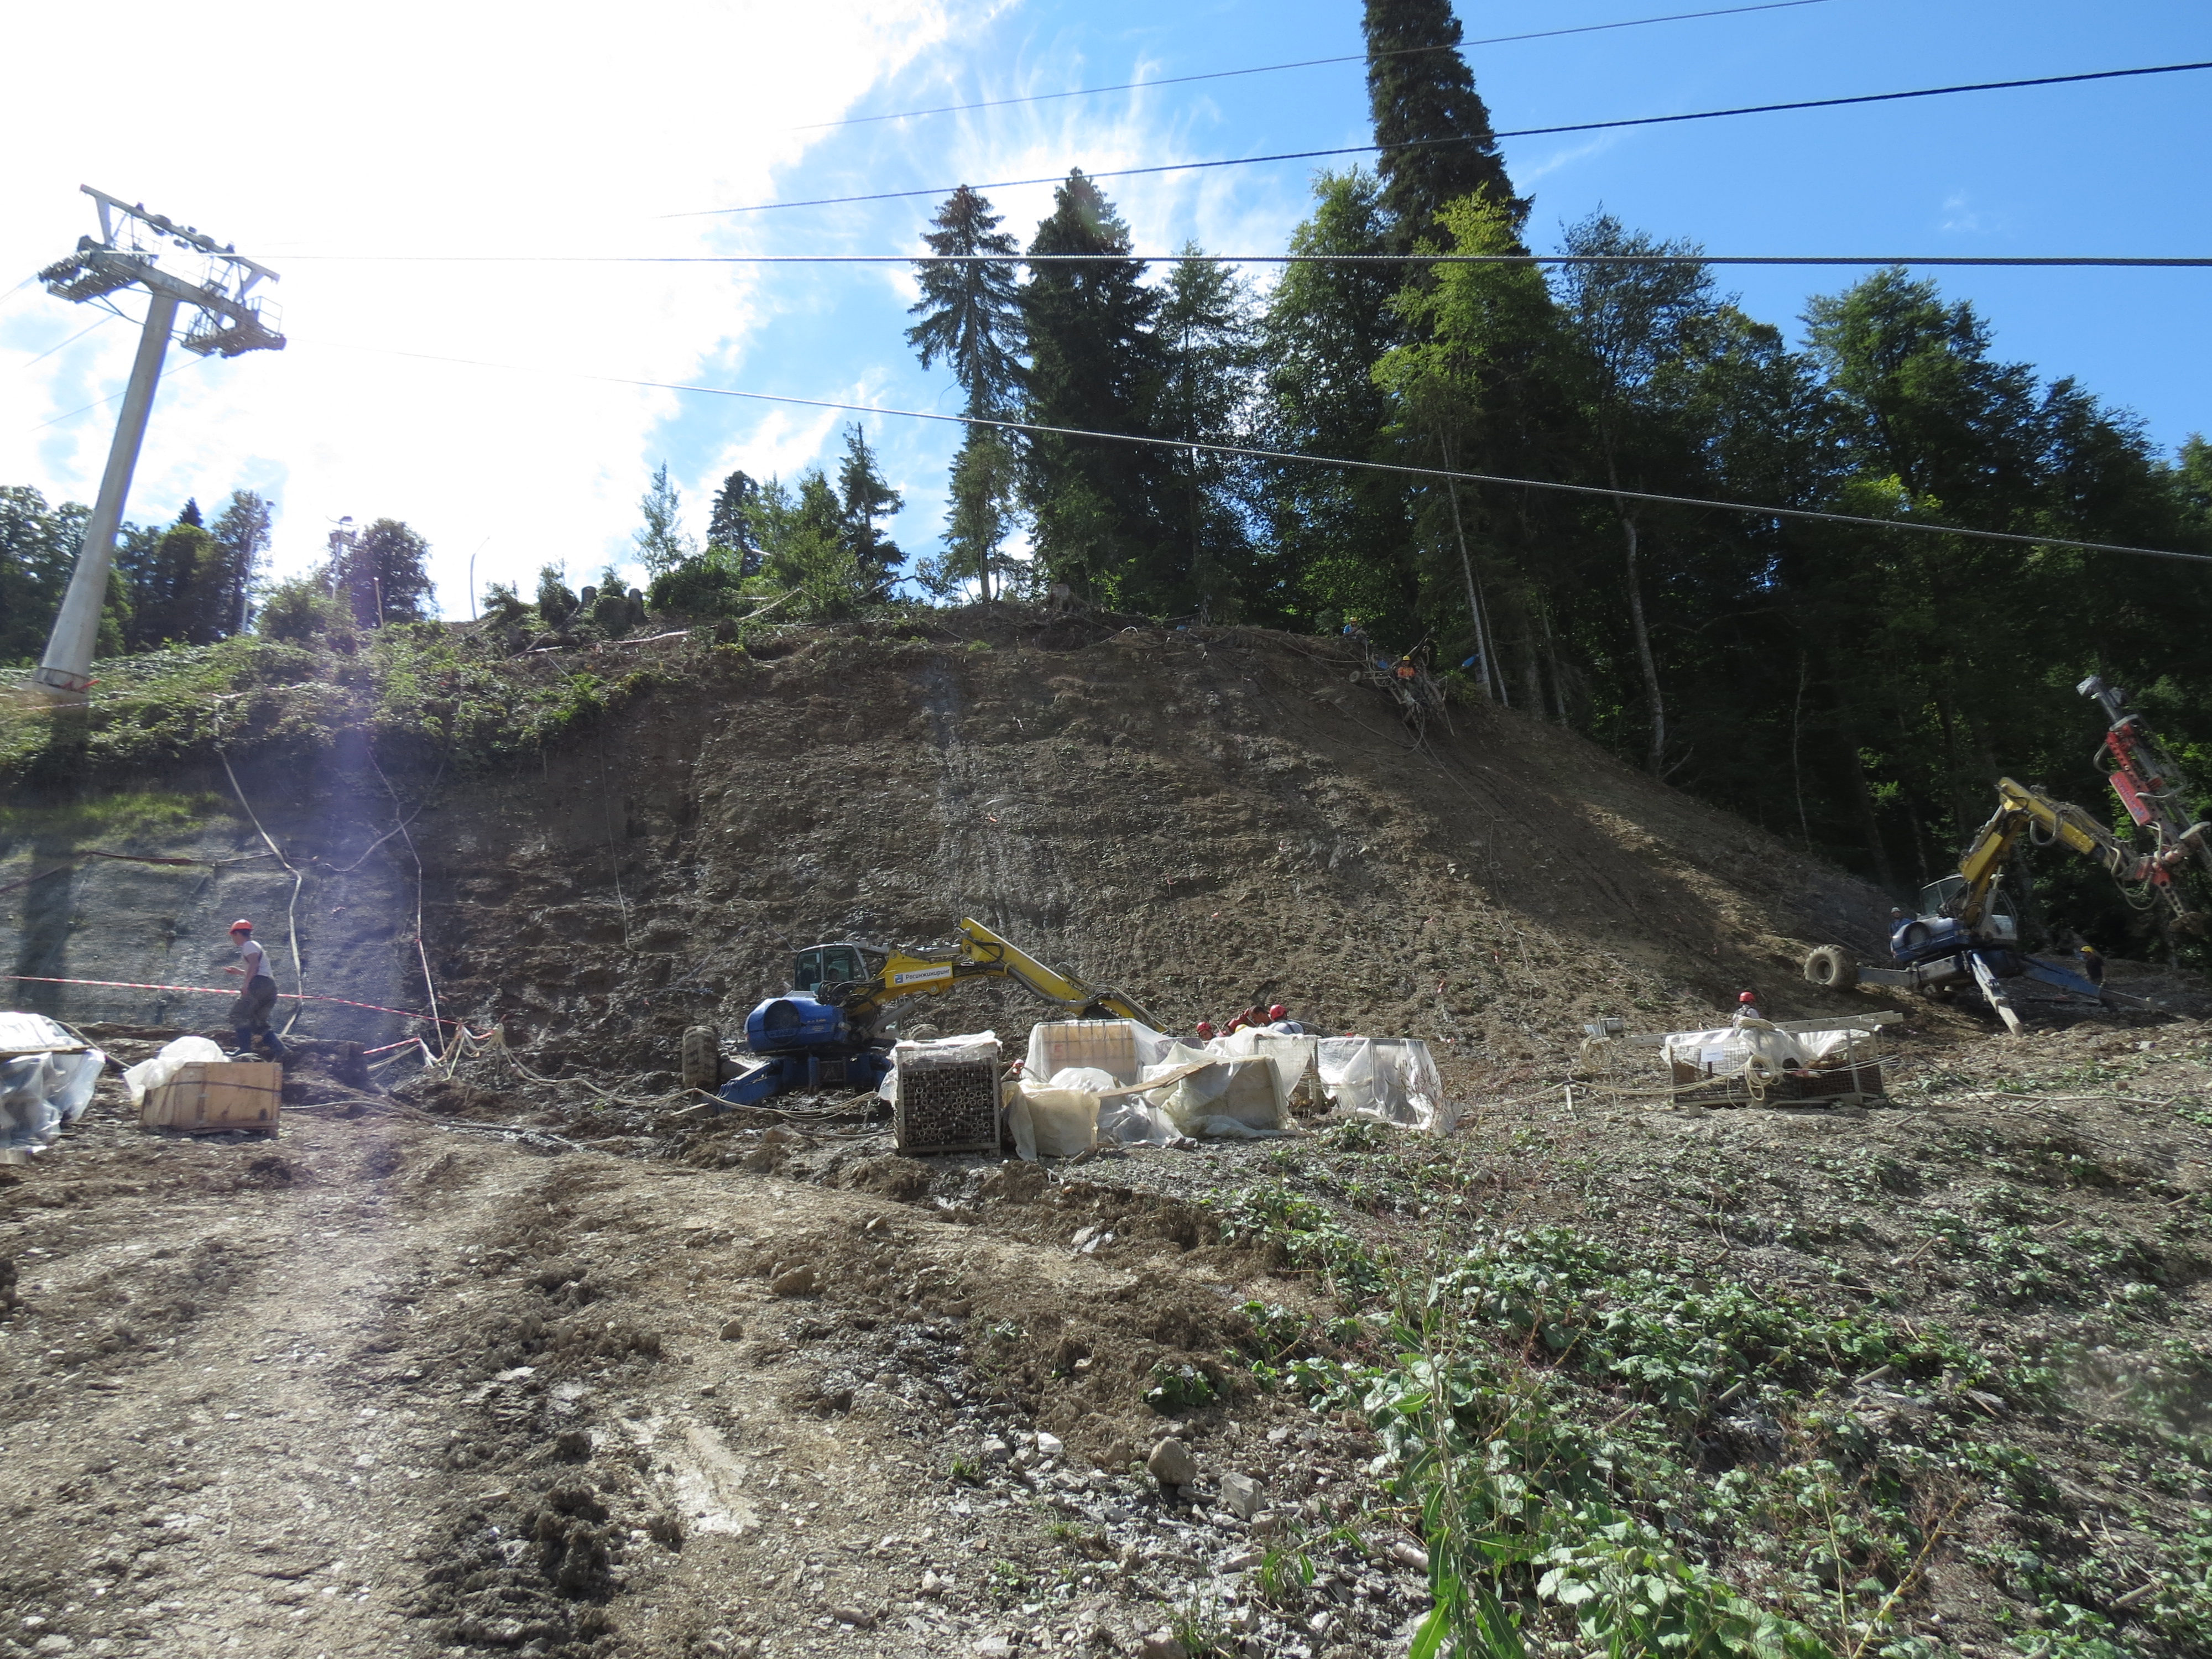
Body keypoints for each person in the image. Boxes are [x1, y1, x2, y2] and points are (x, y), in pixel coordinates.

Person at [223, 919, 286, 1061]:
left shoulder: (248, 945)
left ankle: (244, 1050)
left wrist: (246, 985)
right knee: (257, 1022)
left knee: (238, 1015)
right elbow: (258, 969)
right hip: (269, 986)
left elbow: (254, 965)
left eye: (233, 936)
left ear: (238, 933)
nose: (233, 939)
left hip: (259, 985)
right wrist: (240, 972)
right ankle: (280, 1050)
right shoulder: (255, 946)